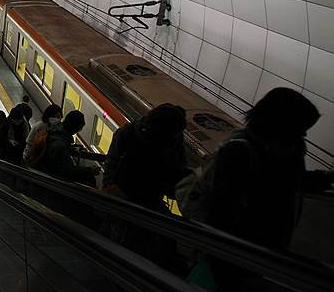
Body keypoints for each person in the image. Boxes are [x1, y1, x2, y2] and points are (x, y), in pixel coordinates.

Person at [207, 88, 334, 253]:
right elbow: (220, 211)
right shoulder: (239, 152)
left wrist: (325, 178)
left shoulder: (291, 150)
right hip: (242, 249)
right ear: (280, 123)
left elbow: (291, 181)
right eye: (300, 126)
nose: (304, 133)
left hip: (270, 245)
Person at [102, 103, 189, 211]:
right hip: (132, 196)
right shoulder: (130, 133)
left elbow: (111, 161)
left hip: (142, 196)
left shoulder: (174, 139)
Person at [37, 111, 98, 186]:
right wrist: (89, 170)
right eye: (79, 129)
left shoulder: (55, 131)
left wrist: (70, 148)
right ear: (74, 128)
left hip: (45, 171)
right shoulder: (60, 145)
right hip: (51, 180)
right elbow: (68, 170)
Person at [24, 104, 62, 168]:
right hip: (32, 157)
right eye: (53, 116)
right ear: (48, 116)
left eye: (58, 117)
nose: (56, 119)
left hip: (40, 159)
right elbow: (32, 143)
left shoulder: (54, 127)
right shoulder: (40, 126)